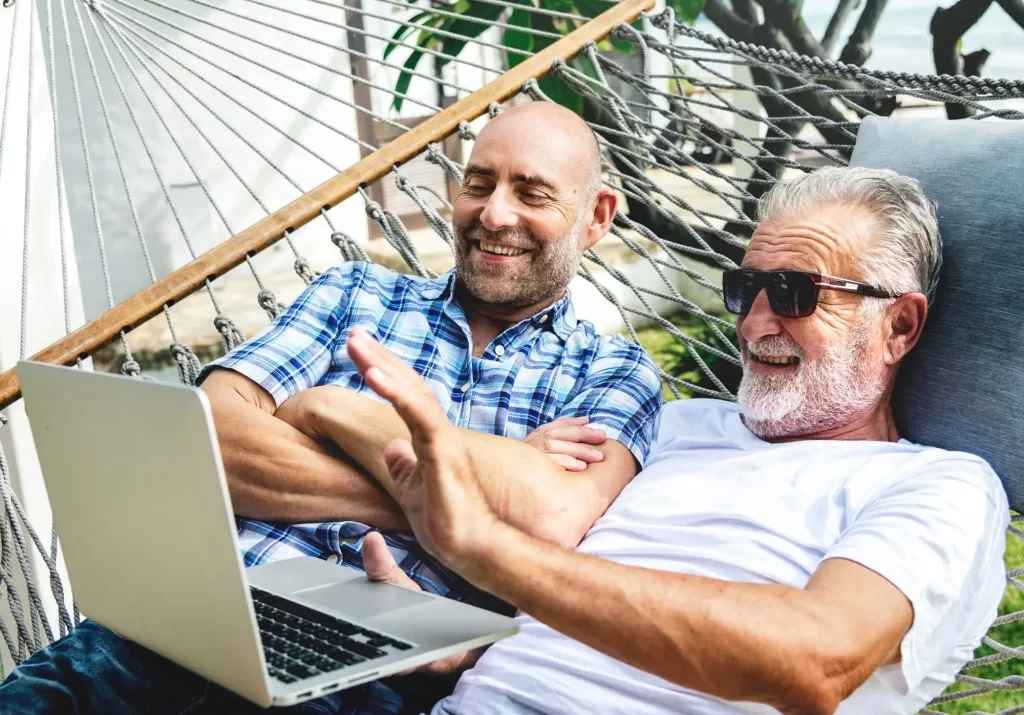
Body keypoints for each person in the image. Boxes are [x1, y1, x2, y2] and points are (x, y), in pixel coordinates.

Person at [0, 102, 662, 714]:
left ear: (597, 216)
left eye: (532, 193)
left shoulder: (612, 372)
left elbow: (550, 520)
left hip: (381, 667)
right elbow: (206, 443)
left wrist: (332, 409)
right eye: (479, 183)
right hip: (192, 616)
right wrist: (459, 500)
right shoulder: (356, 293)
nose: (493, 214)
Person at [345, 166, 1009, 715]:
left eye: (794, 293)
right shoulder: (676, 423)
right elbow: (572, 604)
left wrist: (486, 549)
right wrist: (465, 648)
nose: (754, 324)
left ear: (898, 326)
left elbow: (816, 661)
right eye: (746, 288)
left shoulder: (941, 486)